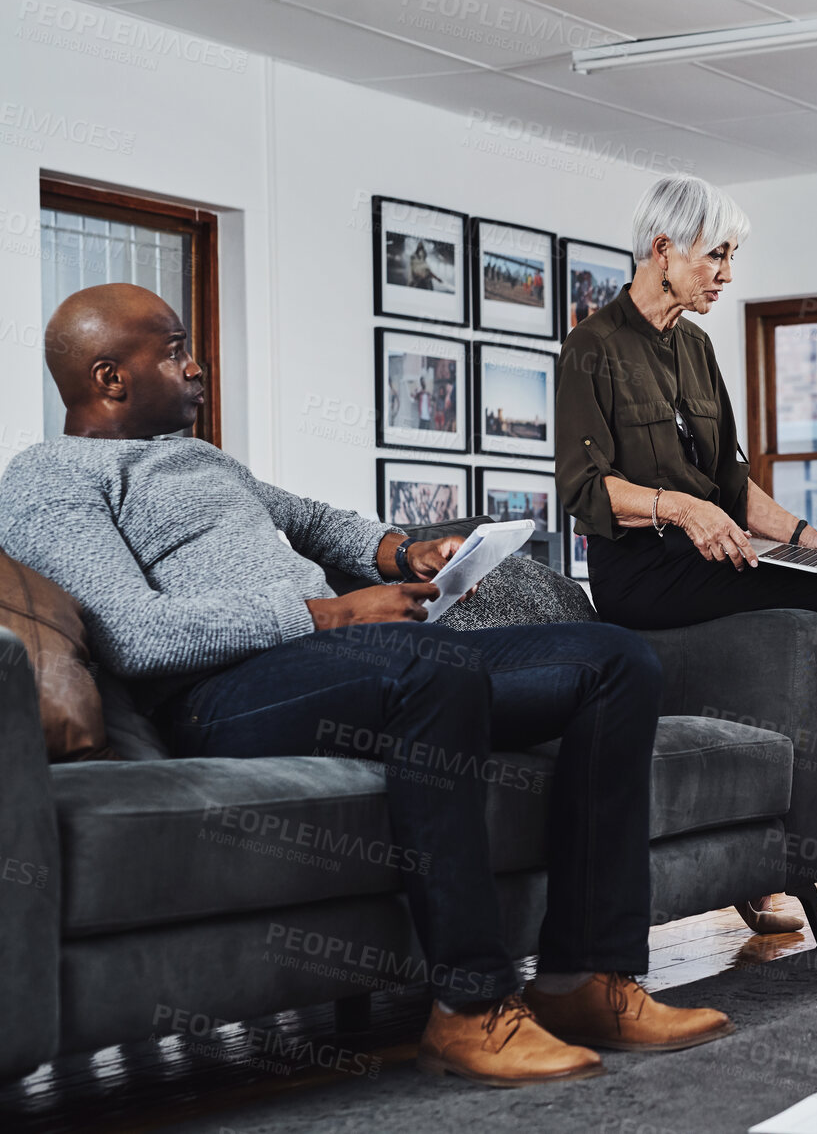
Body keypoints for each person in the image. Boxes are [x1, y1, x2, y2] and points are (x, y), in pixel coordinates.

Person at [1, 283, 734, 1087]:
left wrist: (398, 551)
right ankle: (471, 1007)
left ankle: (584, 977)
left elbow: (315, 520)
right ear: (109, 377)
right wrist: (324, 615)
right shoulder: (50, 479)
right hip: (220, 698)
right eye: (174, 350)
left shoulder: (202, 458)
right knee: (431, 663)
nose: (197, 364)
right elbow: (138, 636)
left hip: (339, 664)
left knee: (614, 661)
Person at [556, 174, 817, 940]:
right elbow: (582, 486)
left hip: (709, 560)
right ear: (662, 250)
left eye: (731, 257)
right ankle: (771, 854)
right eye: (716, 257)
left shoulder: (696, 349)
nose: (726, 275)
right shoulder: (591, 347)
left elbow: (731, 484)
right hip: (641, 572)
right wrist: (677, 506)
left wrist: (807, 538)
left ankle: (760, 829)